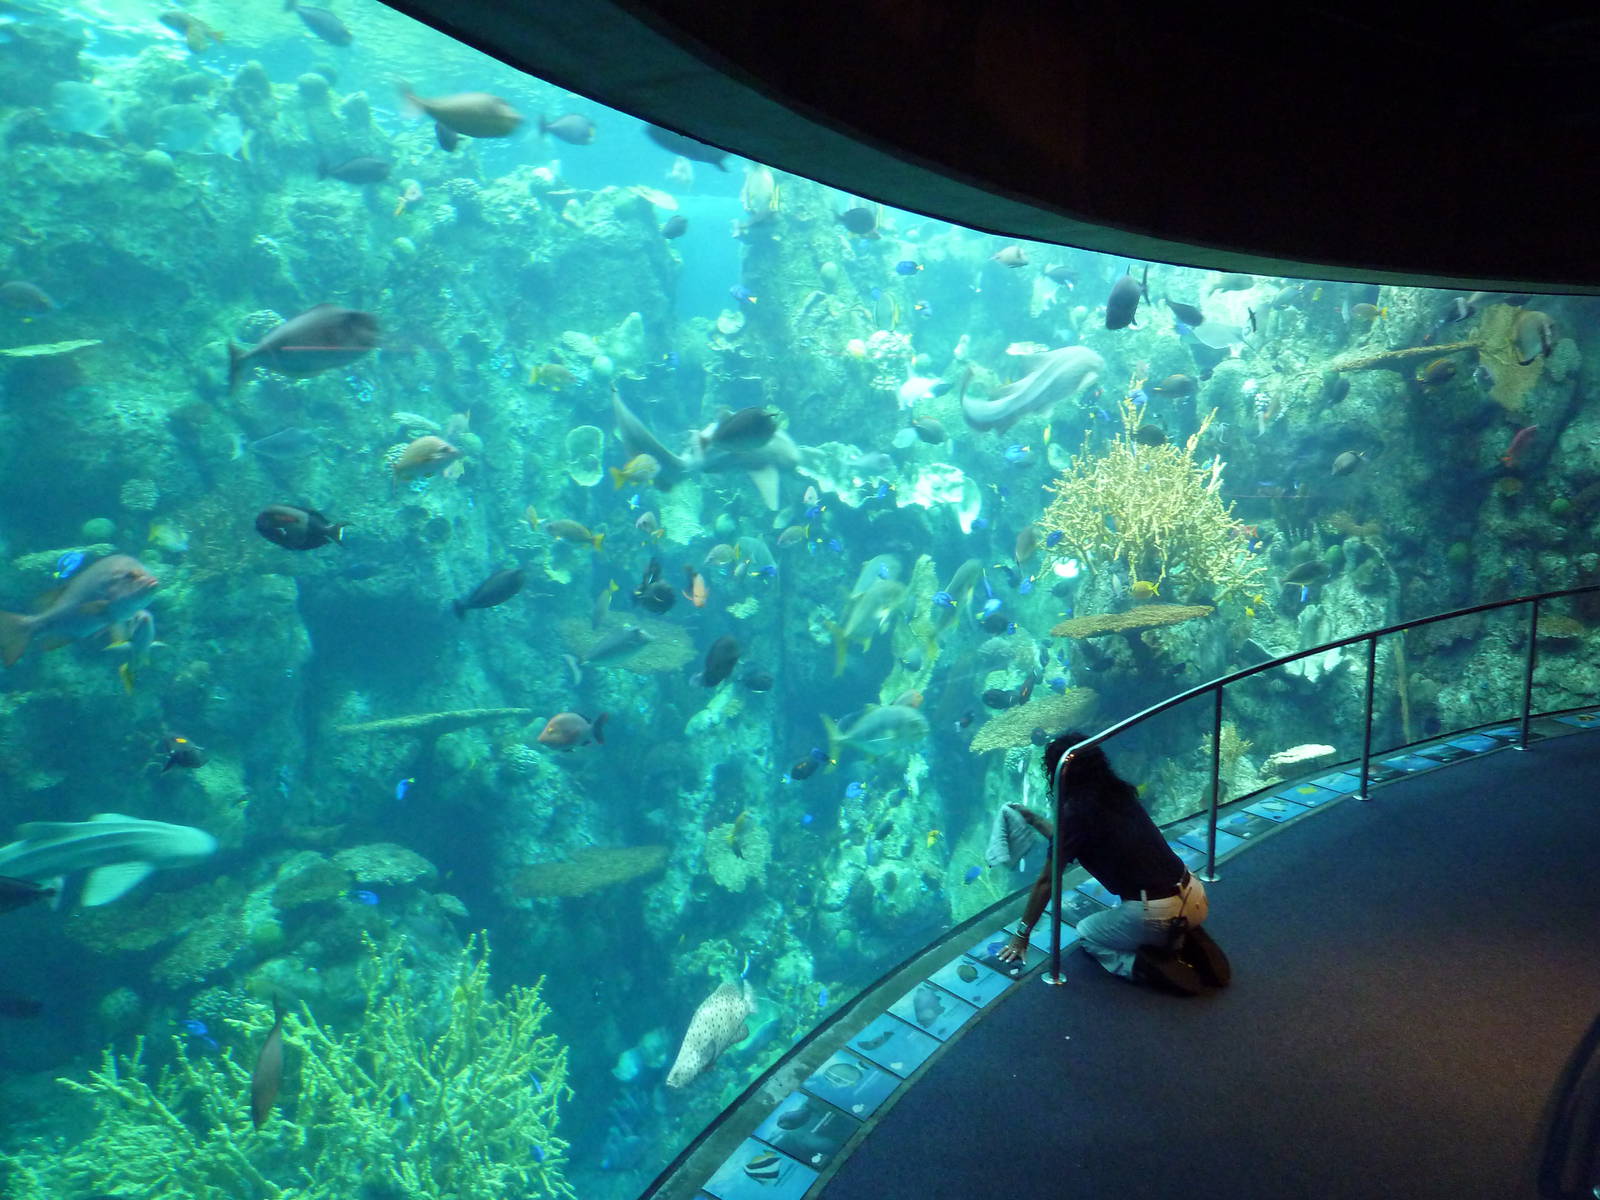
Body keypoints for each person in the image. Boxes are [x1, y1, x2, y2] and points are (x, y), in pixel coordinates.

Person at [997, 731, 1229, 993]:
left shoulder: (1075, 812)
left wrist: (1021, 936)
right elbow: (1073, 842)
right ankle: (1183, 936)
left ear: (1058, 772)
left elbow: (1046, 882)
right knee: (1160, 914)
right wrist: (1035, 820)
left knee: (1087, 933)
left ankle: (1143, 966)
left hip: (1154, 912)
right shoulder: (1120, 793)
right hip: (1195, 893)